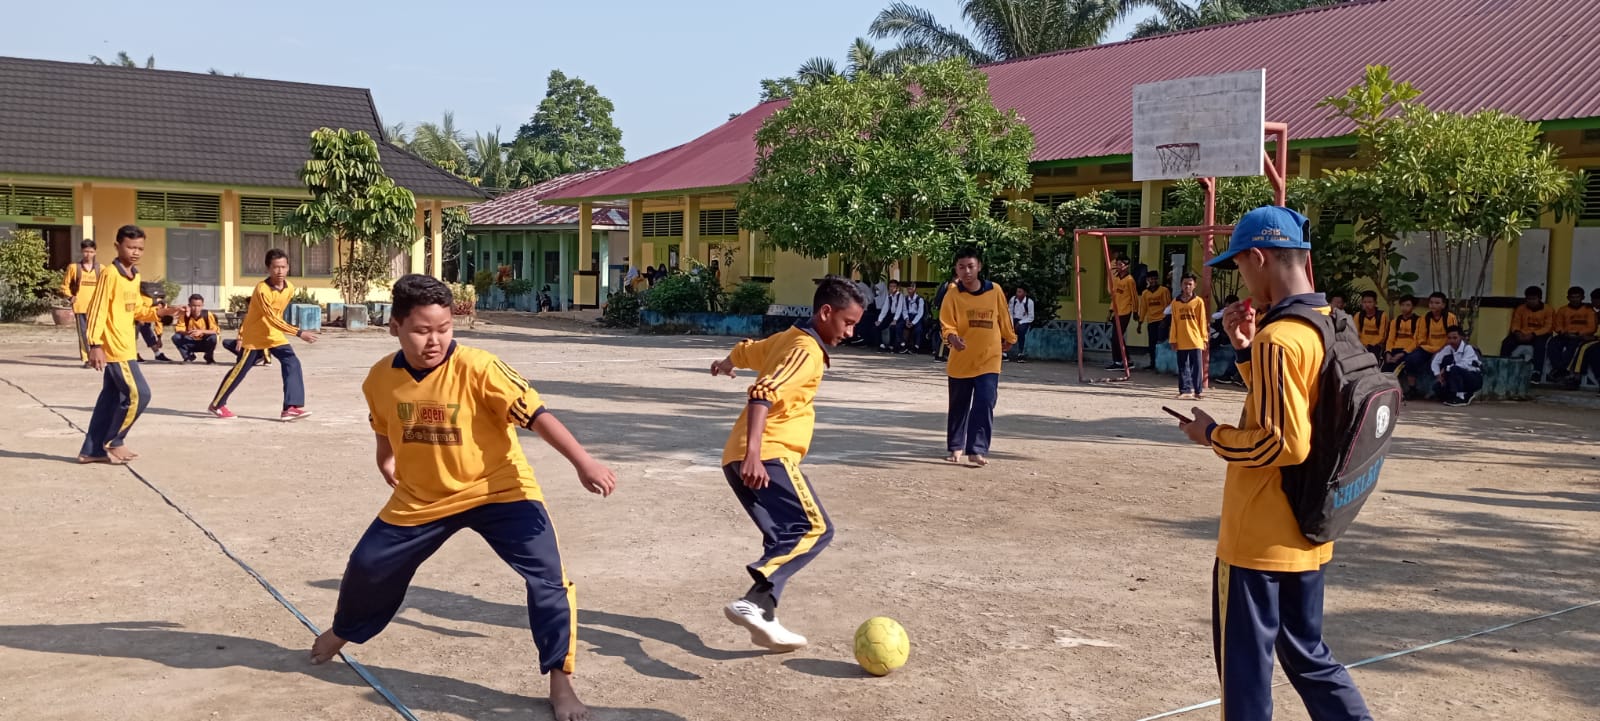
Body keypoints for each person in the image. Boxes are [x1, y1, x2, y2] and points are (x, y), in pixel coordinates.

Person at [308, 274, 615, 721]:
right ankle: (344, 630)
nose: (434, 340)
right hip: (423, 497)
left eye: (444, 328)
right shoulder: (379, 378)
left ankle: (561, 683)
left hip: (500, 491)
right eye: (421, 330)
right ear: (394, 326)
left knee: (549, 583)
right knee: (367, 566)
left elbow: (538, 415)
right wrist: (385, 458)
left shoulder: (480, 367)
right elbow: (382, 424)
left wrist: (583, 462)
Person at [1176, 206, 1372, 721]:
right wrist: (1244, 353)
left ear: (1259, 257)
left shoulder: (1278, 337)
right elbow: (1301, 407)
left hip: (1258, 537)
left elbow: (1280, 442)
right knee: (1309, 656)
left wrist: (1211, 434)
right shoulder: (1331, 323)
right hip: (1311, 526)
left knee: (1244, 673)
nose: (1242, 278)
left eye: (1240, 266)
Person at [709, 277, 864, 652]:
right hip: (766, 455)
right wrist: (754, 455)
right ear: (826, 312)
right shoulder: (806, 350)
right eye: (848, 322)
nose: (850, 331)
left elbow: (747, 351)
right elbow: (762, 393)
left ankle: (764, 614)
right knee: (816, 529)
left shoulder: (784, 340)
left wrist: (725, 363)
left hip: (742, 456)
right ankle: (752, 602)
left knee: (782, 538)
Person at [78, 226, 178, 464]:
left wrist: (161, 312)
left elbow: (136, 311)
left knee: (109, 400)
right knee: (139, 394)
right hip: (114, 349)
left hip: (127, 347)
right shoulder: (109, 274)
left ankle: (91, 451)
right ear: (117, 246)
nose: (135, 252)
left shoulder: (134, 275)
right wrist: (95, 344)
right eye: (130, 247)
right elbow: (97, 310)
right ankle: (115, 440)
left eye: (140, 248)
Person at [208, 248, 319, 420]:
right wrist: (298, 332)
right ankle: (217, 404)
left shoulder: (289, 288)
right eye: (275, 267)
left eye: (283, 267)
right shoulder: (262, 290)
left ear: (288, 267)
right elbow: (272, 317)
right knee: (240, 370)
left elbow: (278, 316)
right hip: (255, 336)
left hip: (274, 335)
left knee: (292, 362)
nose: (280, 271)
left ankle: (290, 407)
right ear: (268, 268)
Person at [941, 248, 1017, 467]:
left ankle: (977, 449)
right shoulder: (953, 294)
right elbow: (947, 322)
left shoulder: (994, 290)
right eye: (962, 267)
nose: (966, 271)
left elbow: (1004, 316)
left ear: (979, 267)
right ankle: (956, 447)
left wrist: (1010, 338)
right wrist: (952, 338)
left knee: (985, 401)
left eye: (971, 266)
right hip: (961, 361)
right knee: (959, 405)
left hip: (989, 359)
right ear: (956, 269)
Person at [60, 238, 102, 368]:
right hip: (80, 306)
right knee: (83, 334)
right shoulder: (74, 268)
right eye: (85, 251)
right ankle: (87, 358)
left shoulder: (101, 269)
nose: (88, 254)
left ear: (95, 252)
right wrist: (70, 297)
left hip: (97, 307)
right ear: (81, 252)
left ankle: (100, 357)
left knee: (98, 333)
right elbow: (64, 286)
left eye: (91, 251)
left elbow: (106, 287)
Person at [1498, 286, 1554, 383]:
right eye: (1529, 299)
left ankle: (1536, 372)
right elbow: (1515, 323)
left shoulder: (1548, 310)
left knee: (1540, 345)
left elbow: (1548, 327)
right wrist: (1517, 333)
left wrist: (1534, 334)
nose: (1531, 301)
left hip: (1539, 335)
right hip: (1522, 334)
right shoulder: (1520, 309)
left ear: (1540, 298)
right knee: (1506, 342)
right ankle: (1502, 368)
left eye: (1534, 299)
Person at [1169, 273, 1207, 400]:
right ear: (1181, 284)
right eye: (1185, 283)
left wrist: (1204, 338)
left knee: (1196, 367)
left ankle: (1198, 390)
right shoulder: (1176, 302)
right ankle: (1185, 390)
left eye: (1190, 284)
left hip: (1195, 339)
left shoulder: (1198, 301)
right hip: (1181, 339)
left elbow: (1202, 321)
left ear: (1194, 285)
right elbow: (1173, 322)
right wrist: (1173, 339)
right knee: (1182, 366)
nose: (1187, 286)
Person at [1548, 286, 1596, 383]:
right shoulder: (1563, 310)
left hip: (1580, 336)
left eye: (1577, 297)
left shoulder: (1589, 310)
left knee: (1572, 346)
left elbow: (1592, 327)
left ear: (1582, 297)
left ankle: (1561, 370)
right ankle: (1558, 368)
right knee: (1553, 343)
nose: (1575, 299)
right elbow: (1557, 325)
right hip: (1565, 335)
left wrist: (1578, 333)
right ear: (1568, 298)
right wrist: (1564, 332)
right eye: (1572, 297)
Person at [1432, 325, 1483, 407]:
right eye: (1449, 338)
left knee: (1455, 369)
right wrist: (1438, 375)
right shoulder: (1449, 348)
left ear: (1461, 338)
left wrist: (1446, 369)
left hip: (1473, 378)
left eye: (1455, 338)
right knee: (1438, 388)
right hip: (1458, 376)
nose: (1452, 341)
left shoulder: (1468, 348)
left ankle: (1461, 397)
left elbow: (1464, 365)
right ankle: (1465, 395)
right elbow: (1436, 361)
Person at [1106, 255, 1137, 370]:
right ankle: (1127, 360)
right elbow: (1114, 297)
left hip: (1125, 311)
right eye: (1117, 264)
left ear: (1126, 266)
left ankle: (1118, 361)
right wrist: (1110, 312)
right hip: (1117, 311)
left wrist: (1135, 311)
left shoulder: (1130, 280)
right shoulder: (1116, 279)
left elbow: (1134, 297)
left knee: (1116, 337)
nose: (1118, 267)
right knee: (1118, 337)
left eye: (1121, 264)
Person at [172, 294, 221, 363]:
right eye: (193, 306)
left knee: (213, 337)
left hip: (204, 342)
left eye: (198, 306)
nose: (196, 308)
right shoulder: (185, 315)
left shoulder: (207, 315)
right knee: (176, 337)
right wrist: (187, 332)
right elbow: (178, 329)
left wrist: (201, 331)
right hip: (190, 341)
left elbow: (215, 331)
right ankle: (188, 356)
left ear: (202, 306)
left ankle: (209, 357)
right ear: (189, 305)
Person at [1137, 273, 1171, 370]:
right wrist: (1140, 323)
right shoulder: (1145, 293)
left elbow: (1168, 306)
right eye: (1151, 279)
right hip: (1151, 321)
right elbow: (1143, 308)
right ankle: (1153, 363)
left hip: (1162, 321)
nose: (1153, 281)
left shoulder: (1164, 291)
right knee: (1152, 344)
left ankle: (1162, 365)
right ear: (1148, 280)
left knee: (1161, 343)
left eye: (1155, 279)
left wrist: (1166, 320)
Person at [135, 285, 175, 363]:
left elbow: (158, 323)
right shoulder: (150, 302)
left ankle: (157, 354)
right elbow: (137, 307)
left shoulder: (164, 307)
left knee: (145, 328)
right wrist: (139, 319)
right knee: (134, 333)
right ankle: (133, 354)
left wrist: (159, 338)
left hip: (144, 313)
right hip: (134, 310)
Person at [1382, 295, 1420, 375]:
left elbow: (1416, 341)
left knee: (1398, 369)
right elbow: (1390, 339)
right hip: (1395, 349)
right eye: (1402, 305)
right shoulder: (1395, 321)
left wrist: (1403, 353)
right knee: (1385, 369)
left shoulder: (1419, 321)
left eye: (1408, 305)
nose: (1404, 308)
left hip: (1409, 351)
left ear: (1413, 307)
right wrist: (1388, 352)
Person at [1355, 291, 1387, 361]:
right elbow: (1355, 333)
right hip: (1361, 345)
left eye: (1370, 302)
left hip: (1376, 345)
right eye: (1364, 302)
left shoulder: (1381, 315)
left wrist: (1370, 345)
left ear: (1375, 303)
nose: (1367, 305)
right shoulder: (1358, 315)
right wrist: (1362, 345)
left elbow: (1382, 336)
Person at [876, 280, 905, 352]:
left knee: (893, 327)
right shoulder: (889, 296)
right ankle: (881, 345)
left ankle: (892, 345)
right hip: (891, 315)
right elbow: (885, 309)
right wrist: (879, 320)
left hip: (899, 316)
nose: (892, 288)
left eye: (894, 286)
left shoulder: (900, 296)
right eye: (890, 286)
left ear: (897, 288)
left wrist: (895, 320)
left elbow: (899, 308)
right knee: (879, 326)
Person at [1008, 286, 1036, 362]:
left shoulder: (1029, 302)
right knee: (1005, 328)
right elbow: (1009, 312)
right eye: (1017, 292)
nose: (1017, 294)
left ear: (1025, 293)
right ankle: (1004, 353)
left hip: (1024, 320)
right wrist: (1010, 323)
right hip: (1013, 319)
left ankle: (1020, 353)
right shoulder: (1013, 300)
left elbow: (1031, 317)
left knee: (1021, 331)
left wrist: (1020, 323)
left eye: (1020, 292)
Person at [899, 284, 927, 354]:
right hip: (908, 316)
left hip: (916, 317)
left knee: (918, 329)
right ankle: (903, 344)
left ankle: (915, 346)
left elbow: (920, 313)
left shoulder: (920, 299)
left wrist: (913, 323)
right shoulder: (905, 299)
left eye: (911, 288)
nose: (909, 290)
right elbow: (904, 310)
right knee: (899, 326)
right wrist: (907, 319)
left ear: (915, 289)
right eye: (908, 288)